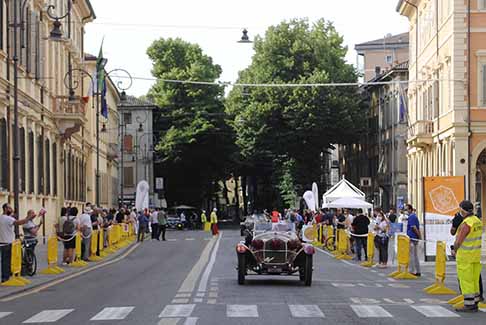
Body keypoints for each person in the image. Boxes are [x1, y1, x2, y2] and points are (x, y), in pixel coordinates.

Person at [452, 200, 483, 312]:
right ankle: (475, 302)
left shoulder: (467, 223)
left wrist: (454, 250)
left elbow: (459, 241)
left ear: (463, 210)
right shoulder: (477, 221)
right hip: (475, 256)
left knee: (466, 280)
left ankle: (469, 304)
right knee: (474, 280)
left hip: (465, 257)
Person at [0, 203, 36, 282]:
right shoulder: (8, 219)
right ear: (5, 209)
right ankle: (6, 278)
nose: (11, 210)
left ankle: (6, 276)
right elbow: (20, 222)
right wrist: (28, 218)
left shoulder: (1, 218)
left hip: (2, 243)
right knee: (9, 261)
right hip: (8, 243)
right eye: (10, 208)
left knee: (5, 261)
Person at [405, 204, 421, 276]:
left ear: (410, 209)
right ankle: (417, 270)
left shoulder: (411, 217)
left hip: (412, 238)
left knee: (412, 255)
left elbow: (414, 227)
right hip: (413, 237)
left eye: (407, 209)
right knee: (415, 255)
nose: (406, 211)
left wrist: (419, 236)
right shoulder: (413, 217)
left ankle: (412, 270)